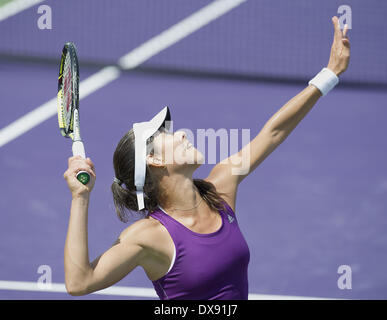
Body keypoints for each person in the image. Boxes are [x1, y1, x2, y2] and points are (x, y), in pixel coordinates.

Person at [63, 17, 350, 299]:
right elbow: (79, 283)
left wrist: (329, 74)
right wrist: (80, 198)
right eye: (166, 135)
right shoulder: (148, 236)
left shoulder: (221, 189)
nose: (182, 135)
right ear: (155, 162)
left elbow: (273, 133)